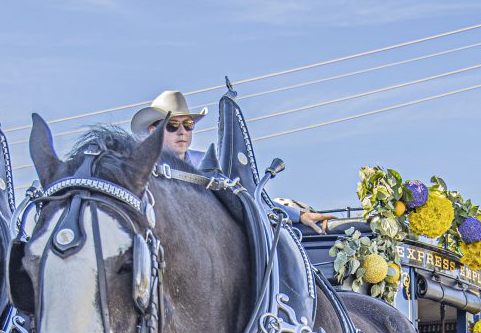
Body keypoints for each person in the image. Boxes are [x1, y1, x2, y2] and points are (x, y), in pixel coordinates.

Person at [130, 90, 331, 234]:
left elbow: (247, 196)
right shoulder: (141, 173)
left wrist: (299, 216)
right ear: (153, 130)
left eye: (188, 124)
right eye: (173, 125)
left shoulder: (208, 163)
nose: (182, 131)